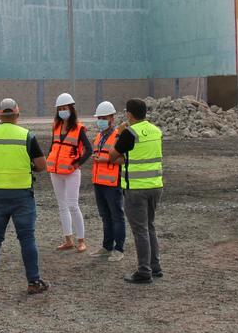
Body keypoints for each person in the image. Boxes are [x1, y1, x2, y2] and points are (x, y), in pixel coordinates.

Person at [0, 98, 49, 295]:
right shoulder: (26, 136)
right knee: (27, 239)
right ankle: (33, 281)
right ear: (17, 114)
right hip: (21, 195)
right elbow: (41, 165)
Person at [106, 98, 163, 284]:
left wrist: (118, 134)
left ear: (129, 114)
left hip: (136, 188)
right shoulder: (155, 130)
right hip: (155, 185)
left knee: (140, 230)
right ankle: (155, 266)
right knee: (150, 226)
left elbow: (112, 155)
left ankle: (144, 271)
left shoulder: (129, 133)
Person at [47, 92, 92, 253]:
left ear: (71, 109)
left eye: (64, 108)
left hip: (71, 172)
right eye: (60, 108)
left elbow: (89, 150)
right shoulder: (56, 126)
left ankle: (81, 241)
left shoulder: (79, 128)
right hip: (55, 171)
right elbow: (53, 146)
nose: (62, 111)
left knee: (73, 205)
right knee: (62, 206)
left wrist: (77, 164)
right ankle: (68, 240)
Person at [88, 101, 126, 262]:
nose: (101, 120)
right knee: (105, 216)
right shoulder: (99, 136)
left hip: (112, 183)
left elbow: (123, 160)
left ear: (112, 118)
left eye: (104, 117)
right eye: (99, 118)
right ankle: (106, 247)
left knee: (117, 216)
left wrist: (103, 159)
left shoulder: (118, 136)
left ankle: (119, 249)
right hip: (99, 182)